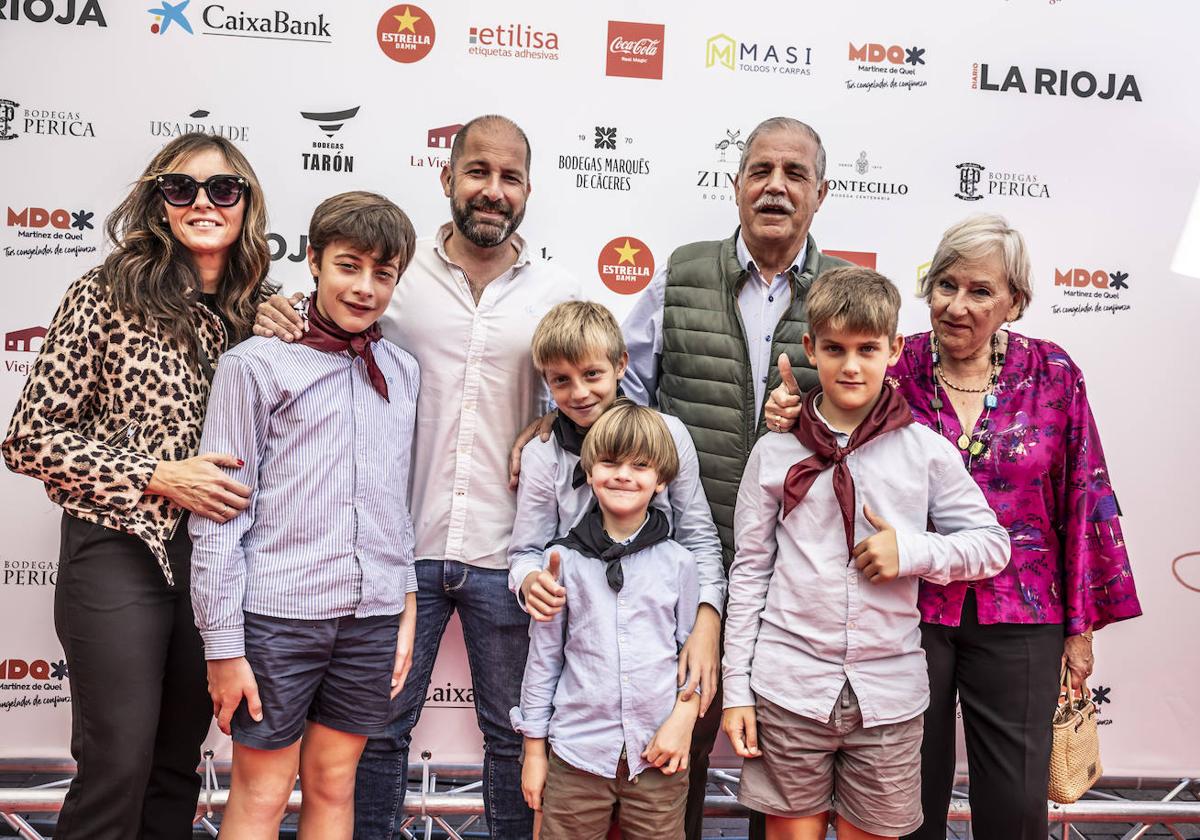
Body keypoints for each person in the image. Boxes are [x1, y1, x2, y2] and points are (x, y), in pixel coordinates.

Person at [252, 115, 580, 840]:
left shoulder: (559, 290)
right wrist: (269, 308)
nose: (492, 191)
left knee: (513, 736)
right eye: (478, 172)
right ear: (447, 178)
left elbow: (600, 394)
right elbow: (323, 325)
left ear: (527, 189)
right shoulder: (395, 272)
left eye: (510, 177)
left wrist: (557, 425)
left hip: (508, 552)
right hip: (396, 552)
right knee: (375, 736)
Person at [764, 215, 1143, 840]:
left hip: (1023, 614)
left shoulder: (1053, 374)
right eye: (945, 285)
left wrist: (1081, 630)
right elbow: (827, 413)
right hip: (909, 613)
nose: (957, 305)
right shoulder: (895, 360)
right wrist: (788, 410)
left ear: (1014, 302)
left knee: (1016, 808)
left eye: (980, 291)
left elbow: (1085, 500)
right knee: (905, 807)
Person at [1, 132, 272, 839]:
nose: (202, 202)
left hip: (219, 562)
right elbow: (29, 436)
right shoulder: (107, 291)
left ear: (246, 202)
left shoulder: (269, 313)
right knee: (117, 760)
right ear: (158, 202)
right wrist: (155, 475)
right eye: (180, 188)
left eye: (223, 189)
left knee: (177, 765)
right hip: (119, 546)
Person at [617, 115, 851, 837]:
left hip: (800, 579)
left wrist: (808, 417)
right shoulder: (680, 273)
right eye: (760, 171)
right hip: (682, 566)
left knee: (783, 783)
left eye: (794, 174)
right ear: (736, 185)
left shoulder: (848, 291)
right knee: (666, 765)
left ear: (821, 192)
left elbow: (875, 427)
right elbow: (626, 399)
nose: (775, 187)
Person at [722, 266, 1011, 840]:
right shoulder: (776, 453)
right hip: (788, 686)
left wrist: (912, 550)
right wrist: (736, 693)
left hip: (888, 695)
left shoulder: (924, 452)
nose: (851, 365)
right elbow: (749, 572)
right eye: (834, 349)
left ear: (895, 349)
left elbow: (992, 545)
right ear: (810, 348)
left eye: (867, 349)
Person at [190, 192, 420, 839]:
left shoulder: (401, 372)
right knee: (262, 795)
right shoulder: (253, 365)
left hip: (369, 615)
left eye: (384, 274)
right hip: (277, 616)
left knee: (333, 784)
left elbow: (392, 502)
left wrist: (402, 602)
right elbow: (218, 517)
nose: (365, 287)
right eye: (349, 266)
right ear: (314, 260)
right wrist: (224, 647)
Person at [510, 301, 725, 715]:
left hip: (660, 638)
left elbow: (699, 537)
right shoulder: (544, 453)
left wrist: (706, 622)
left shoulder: (668, 434)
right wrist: (528, 580)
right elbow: (525, 551)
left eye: (592, 374)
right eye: (561, 381)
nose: (579, 393)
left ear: (621, 364)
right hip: (580, 649)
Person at [513, 399, 700, 839]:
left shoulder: (679, 564)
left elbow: (691, 659)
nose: (623, 475)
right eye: (610, 462)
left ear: (661, 481)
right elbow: (543, 661)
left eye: (640, 465)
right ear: (590, 471)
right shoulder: (560, 561)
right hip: (576, 755)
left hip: (658, 757)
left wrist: (682, 724)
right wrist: (534, 752)